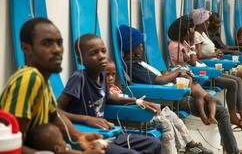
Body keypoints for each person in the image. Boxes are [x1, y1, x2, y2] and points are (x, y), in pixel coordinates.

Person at [117, 24, 242, 154]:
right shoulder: (132, 65)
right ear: (132, 47)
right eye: (140, 44)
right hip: (172, 98)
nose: (143, 47)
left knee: (217, 104)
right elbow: (158, 80)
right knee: (222, 112)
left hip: (175, 92)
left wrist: (173, 74)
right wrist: (177, 72)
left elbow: (161, 75)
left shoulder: (140, 62)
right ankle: (232, 151)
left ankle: (229, 148)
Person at [0, 18, 106, 153]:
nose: (57, 50)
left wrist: (79, 136)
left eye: (59, 43)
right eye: (46, 43)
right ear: (26, 49)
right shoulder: (29, 78)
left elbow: (54, 117)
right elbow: (11, 146)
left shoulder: (43, 81)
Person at [57, 34, 161, 154]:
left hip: (108, 134)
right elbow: (56, 110)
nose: (101, 56)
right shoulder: (79, 78)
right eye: (93, 53)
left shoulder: (101, 76)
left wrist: (138, 101)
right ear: (81, 59)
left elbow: (109, 98)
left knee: (154, 143)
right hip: (90, 138)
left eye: (103, 51)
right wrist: (86, 119)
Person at [106, 59, 213, 154]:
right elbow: (116, 103)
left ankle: (191, 145)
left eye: (113, 75)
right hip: (134, 117)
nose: (111, 78)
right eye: (107, 75)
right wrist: (138, 104)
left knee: (171, 115)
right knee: (166, 124)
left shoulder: (115, 87)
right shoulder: (105, 91)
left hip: (137, 110)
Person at [25, 124, 106, 154]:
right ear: (57, 149)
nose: (65, 141)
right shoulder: (65, 151)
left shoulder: (62, 149)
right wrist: (97, 145)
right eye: (62, 139)